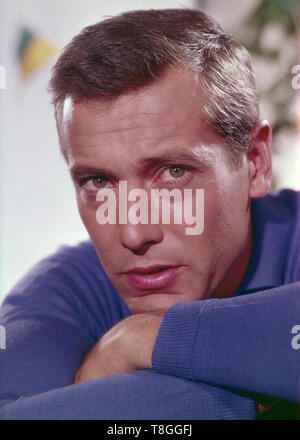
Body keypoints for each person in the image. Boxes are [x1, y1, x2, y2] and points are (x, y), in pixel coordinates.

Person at [0, 8, 299, 420]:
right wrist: (264, 385)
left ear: (255, 162)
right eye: (98, 182)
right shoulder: (63, 290)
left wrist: (142, 341)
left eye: (173, 173)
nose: (134, 232)